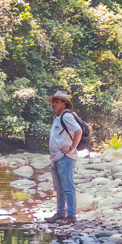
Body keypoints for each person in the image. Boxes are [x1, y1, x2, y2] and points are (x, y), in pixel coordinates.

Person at [44, 91, 81, 224]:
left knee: (67, 187)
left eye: (57, 101)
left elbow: (78, 131)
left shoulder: (66, 116)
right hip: (56, 157)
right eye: (53, 101)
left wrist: (71, 148)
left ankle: (71, 216)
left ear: (64, 103)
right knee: (59, 188)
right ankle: (60, 213)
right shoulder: (57, 117)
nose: (54, 104)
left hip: (65, 157)